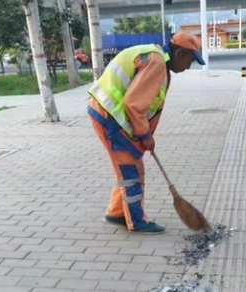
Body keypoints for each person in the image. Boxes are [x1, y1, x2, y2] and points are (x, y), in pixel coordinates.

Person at [87, 31, 205, 234]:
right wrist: (145, 135)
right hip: (110, 117)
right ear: (179, 53)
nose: (188, 67)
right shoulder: (157, 63)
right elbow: (133, 103)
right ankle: (136, 221)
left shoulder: (156, 57)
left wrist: (144, 135)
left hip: (107, 113)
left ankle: (116, 213)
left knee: (129, 168)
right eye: (190, 61)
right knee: (131, 172)